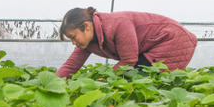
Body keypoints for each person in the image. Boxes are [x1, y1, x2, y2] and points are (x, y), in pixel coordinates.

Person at [56, 8, 197, 78]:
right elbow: (71, 65)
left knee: (141, 77)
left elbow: (129, 60)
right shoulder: (87, 40)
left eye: (73, 37)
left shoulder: (118, 24)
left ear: (86, 26)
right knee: (133, 76)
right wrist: (51, 83)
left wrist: (103, 79)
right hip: (152, 45)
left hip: (173, 40)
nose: (74, 43)